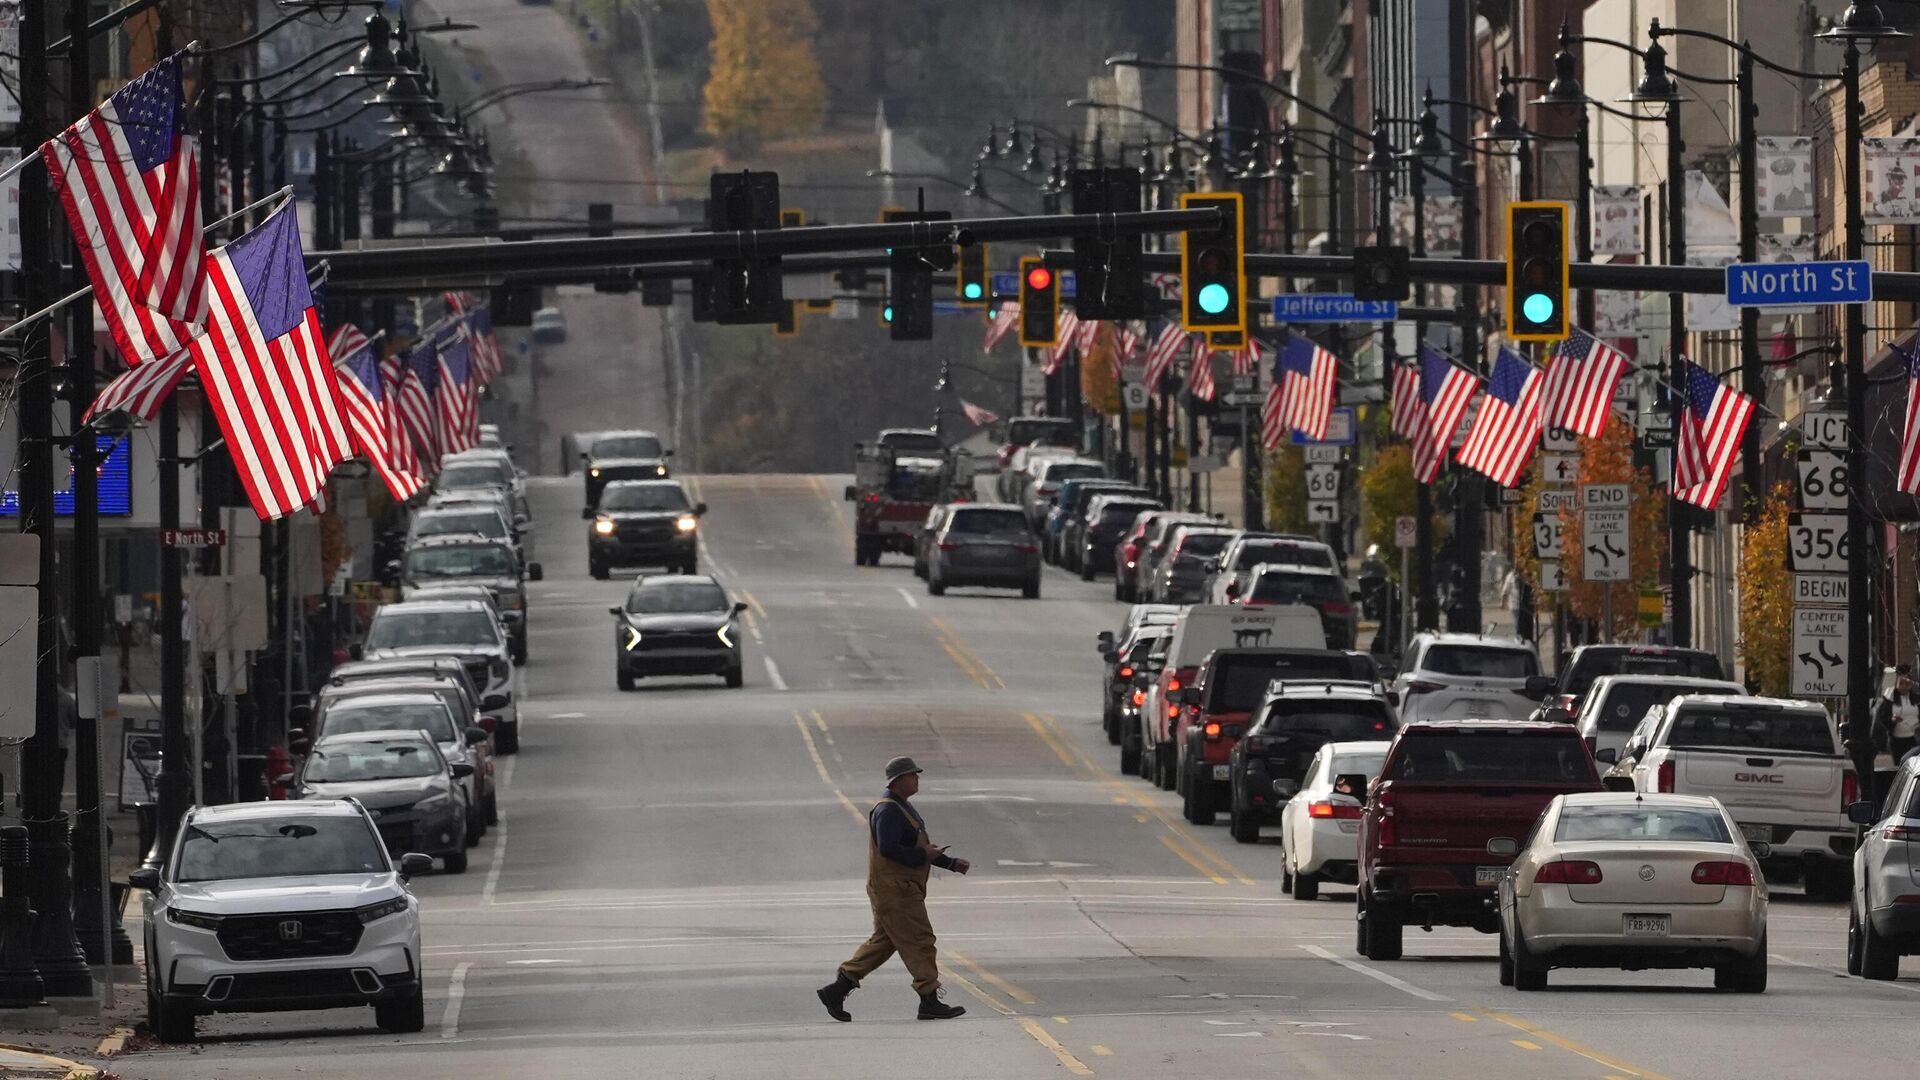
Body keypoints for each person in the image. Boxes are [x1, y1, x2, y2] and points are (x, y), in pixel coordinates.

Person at [818, 757, 971, 1022]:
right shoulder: (888, 810)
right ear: (899, 780)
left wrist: (950, 863)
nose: (917, 780)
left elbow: (919, 848)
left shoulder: (902, 807)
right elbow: (889, 849)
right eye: (913, 775)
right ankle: (929, 999)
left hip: (899, 888)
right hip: (896, 890)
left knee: (884, 942)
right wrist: (924, 856)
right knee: (920, 941)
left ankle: (838, 988)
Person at [1872, 666, 1920, 804]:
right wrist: (1893, 721)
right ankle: (1900, 794)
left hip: (1913, 738)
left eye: (1907, 684)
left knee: (1912, 763)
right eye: (1902, 684)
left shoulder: (1915, 699)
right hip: (1896, 739)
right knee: (1901, 765)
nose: (1904, 687)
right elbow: (1883, 716)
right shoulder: (1890, 699)